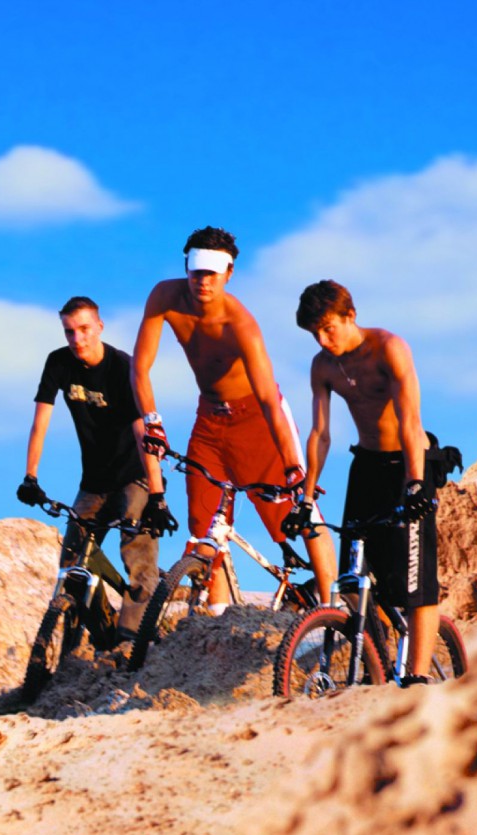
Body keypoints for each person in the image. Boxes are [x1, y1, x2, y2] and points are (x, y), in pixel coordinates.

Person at [132, 226, 337, 607]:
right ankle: (217, 614)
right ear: (186, 267)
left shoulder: (241, 324)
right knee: (205, 525)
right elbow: (140, 368)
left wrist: (293, 466)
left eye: (212, 272)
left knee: (297, 513)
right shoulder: (165, 296)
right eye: (196, 270)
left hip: (256, 417)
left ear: (228, 273)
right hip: (209, 420)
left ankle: (331, 608)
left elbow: (268, 400)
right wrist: (153, 420)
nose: (202, 281)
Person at [296, 279, 441, 683]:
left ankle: (418, 680)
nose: (323, 340)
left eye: (329, 328)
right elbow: (320, 435)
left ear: (350, 316)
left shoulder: (389, 349)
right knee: (354, 578)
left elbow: (411, 424)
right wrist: (306, 499)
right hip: (366, 466)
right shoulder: (323, 366)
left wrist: (415, 485)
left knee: (415, 580)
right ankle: (377, 669)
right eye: (315, 333)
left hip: (408, 463)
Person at [21, 296, 174, 643]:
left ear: (100, 327)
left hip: (136, 476)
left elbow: (143, 434)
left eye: (84, 329)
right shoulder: (58, 363)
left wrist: (157, 494)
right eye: (69, 332)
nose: (77, 339)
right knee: (72, 565)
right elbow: (39, 423)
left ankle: (132, 641)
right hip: (93, 481)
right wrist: (30, 477)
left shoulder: (124, 368)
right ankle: (102, 635)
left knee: (137, 557)